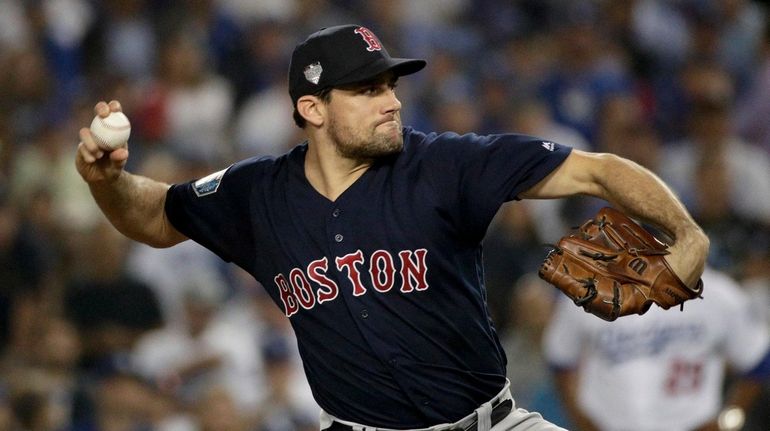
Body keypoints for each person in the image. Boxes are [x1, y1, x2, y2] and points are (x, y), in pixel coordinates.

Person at [74, 24, 709, 431]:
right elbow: (156, 216)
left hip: (492, 422)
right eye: (368, 89)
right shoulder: (257, 193)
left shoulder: (445, 164)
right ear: (311, 108)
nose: (393, 100)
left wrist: (686, 234)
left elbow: (596, 171)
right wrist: (107, 180)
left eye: (391, 84)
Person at [543, 266, 770, 431]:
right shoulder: (591, 291)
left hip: (690, 424)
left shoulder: (717, 294)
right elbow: (560, 359)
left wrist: (727, 421)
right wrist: (582, 421)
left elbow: (758, 361)